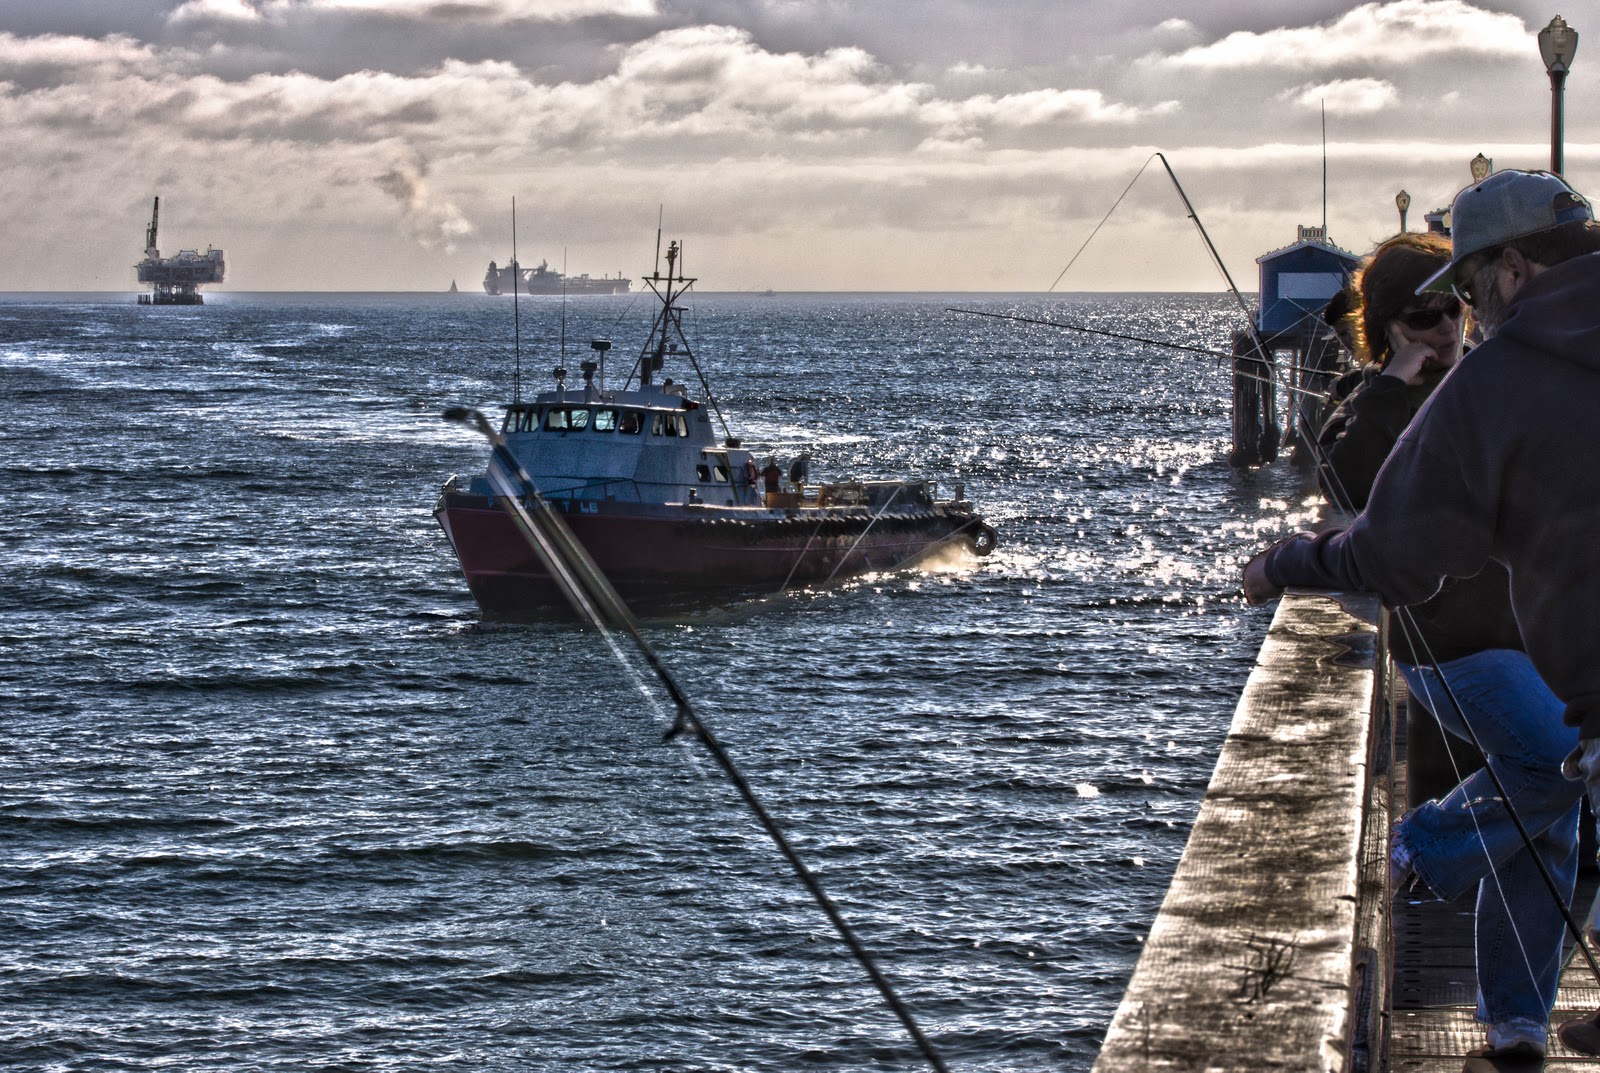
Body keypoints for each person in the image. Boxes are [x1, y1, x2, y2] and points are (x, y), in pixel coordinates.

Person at [1241, 168, 1600, 1056]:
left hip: (1553, 670)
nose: (1465, 315)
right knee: (1548, 806)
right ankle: (1516, 1021)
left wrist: (1286, 560)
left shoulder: (1499, 381)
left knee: (1549, 787)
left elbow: (1391, 551)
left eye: (1469, 291)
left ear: (1512, 268)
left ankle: (1425, 854)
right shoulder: (1448, 388)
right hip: (1491, 658)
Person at [1313, 231, 1581, 1059]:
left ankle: (1514, 1019)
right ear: (1391, 324)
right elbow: (1346, 484)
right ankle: (1422, 842)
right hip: (1447, 648)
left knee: (1547, 828)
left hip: (1528, 640)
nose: (1446, 327)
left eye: (1454, 307)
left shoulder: (1493, 378)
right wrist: (1395, 381)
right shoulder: (1369, 403)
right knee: (1558, 762)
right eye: (1424, 315)